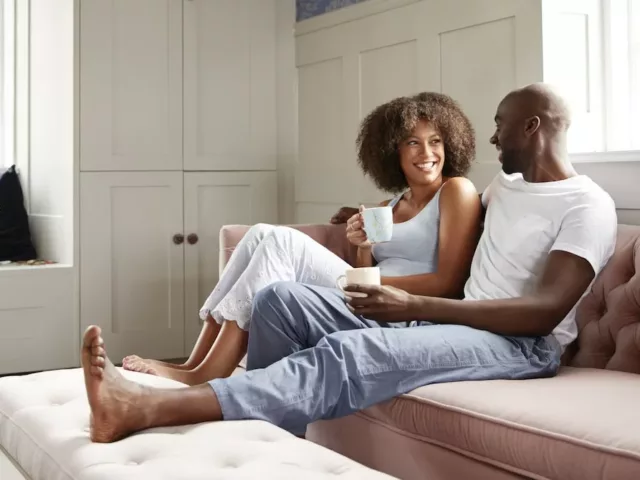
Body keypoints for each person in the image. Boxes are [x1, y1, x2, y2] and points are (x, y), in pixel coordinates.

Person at [80, 82, 617, 443]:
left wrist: (418, 304)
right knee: (279, 299)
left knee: (348, 349)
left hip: (520, 345)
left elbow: (543, 313)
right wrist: (371, 224)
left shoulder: (586, 205)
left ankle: (146, 409)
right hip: (453, 318)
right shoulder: (503, 188)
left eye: (502, 125)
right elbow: (438, 217)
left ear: (533, 127)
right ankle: (263, 443)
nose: (493, 137)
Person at [121, 92, 481, 385]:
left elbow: (449, 282)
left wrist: (368, 284)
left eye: (435, 141)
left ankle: (206, 374)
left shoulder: (456, 191)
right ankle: (191, 364)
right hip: (370, 297)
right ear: (393, 151)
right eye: (413, 143)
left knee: (280, 242)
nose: (427, 153)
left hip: (408, 311)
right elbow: (368, 268)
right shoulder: (391, 205)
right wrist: (363, 249)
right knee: (262, 232)